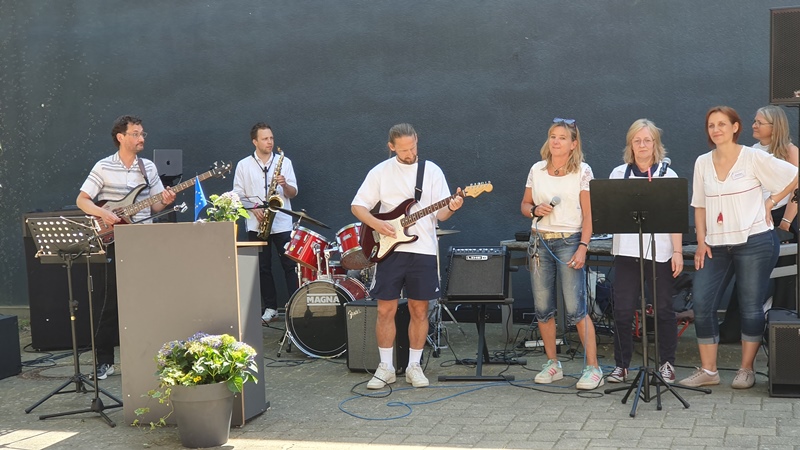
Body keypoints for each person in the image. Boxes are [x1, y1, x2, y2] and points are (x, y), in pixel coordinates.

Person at [680, 106, 797, 389]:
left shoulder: (753, 156)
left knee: (750, 306)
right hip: (715, 246)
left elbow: (794, 175)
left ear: (735, 127)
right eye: (711, 125)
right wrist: (701, 241)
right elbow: (699, 205)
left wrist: (771, 202)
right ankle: (709, 371)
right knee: (703, 302)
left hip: (755, 241)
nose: (716, 129)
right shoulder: (702, 162)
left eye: (722, 124)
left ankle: (746, 369)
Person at [351, 123, 462, 389]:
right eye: (404, 150)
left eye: (413, 147)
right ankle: (386, 367)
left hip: (423, 249)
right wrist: (377, 224)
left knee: (419, 310)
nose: (410, 153)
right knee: (385, 309)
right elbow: (358, 206)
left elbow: (441, 214)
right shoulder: (380, 171)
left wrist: (453, 206)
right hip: (390, 249)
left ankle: (414, 366)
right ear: (391, 147)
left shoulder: (431, 171)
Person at [76, 115, 176, 379]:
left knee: (149, 299)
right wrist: (103, 213)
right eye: (136, 134)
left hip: (144, 241)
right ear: (121, 137)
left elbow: (155, 206)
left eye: (143, 134)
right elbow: (82, 200)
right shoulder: (104, 166)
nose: (141, 138)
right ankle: (105, 361)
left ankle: (151, 357)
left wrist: (166, 200)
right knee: (110, 302)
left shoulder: (148, 167)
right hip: (115, 240)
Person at [519, 118, 603, 390]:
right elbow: (524, 205)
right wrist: (534, 210)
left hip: (570, 241)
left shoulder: (583, 171)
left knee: (576, 309)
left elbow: (589, 214)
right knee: (543, 308)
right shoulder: (536, 169)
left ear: (573, 144)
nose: (556, 141)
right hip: (539, 241)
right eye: (553, 136)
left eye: (562, 138)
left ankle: (593, 368)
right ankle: (552, 364)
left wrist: (583, 247)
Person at [607, 119, 683, 384]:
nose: (642, 145)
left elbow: (675, 218)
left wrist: (677, 252)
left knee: (663, 309)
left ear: (655, 144)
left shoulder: (667, 175)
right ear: (630, 144)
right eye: (637, 140)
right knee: (623, 310)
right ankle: (622, 365)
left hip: (660, 253)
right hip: (627, 252)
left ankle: (666, 363)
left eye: (647, 140)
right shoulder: (618, 174)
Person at [233, 122, 299, 324]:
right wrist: (254, 207)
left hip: (282, 223)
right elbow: (237, 194)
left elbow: (293, 193)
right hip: (256, 223)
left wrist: (285, 185)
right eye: (265, 139)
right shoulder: (243, 165)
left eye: (271, 138)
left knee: (290, 266)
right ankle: (270, 308)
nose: (269, 142)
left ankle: (295, 307)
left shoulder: (284, 162)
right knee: (263, 267)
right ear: (255, 141)